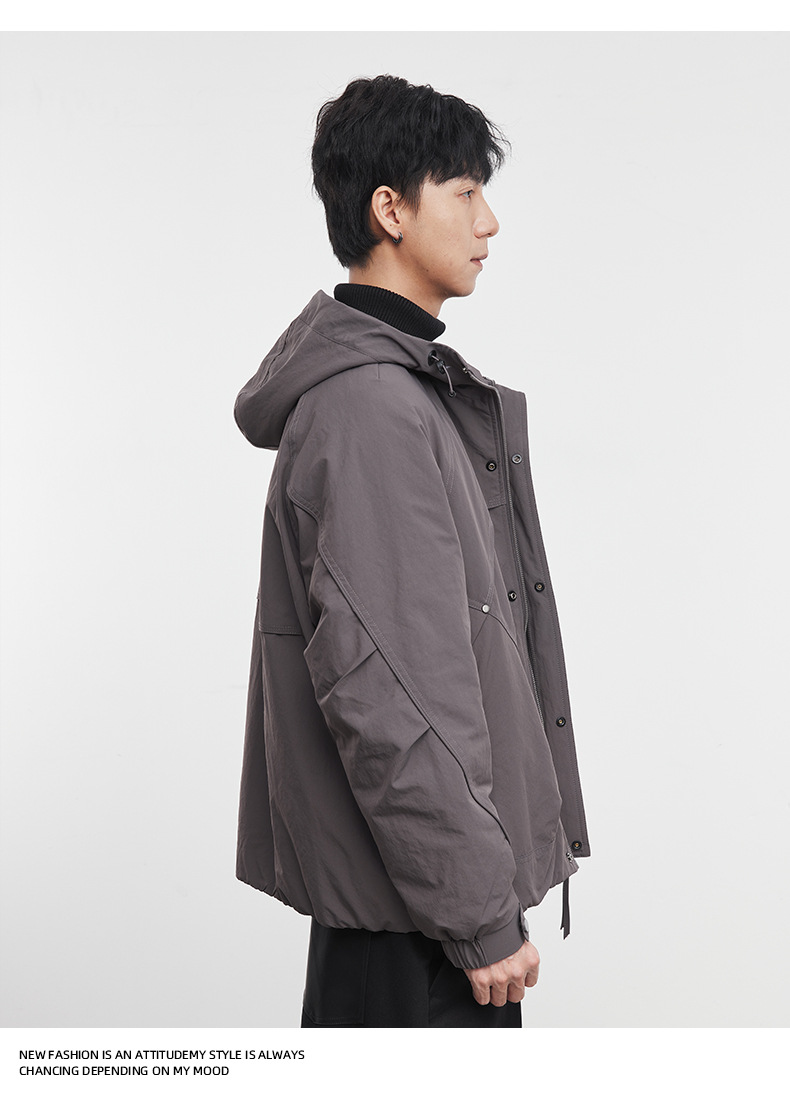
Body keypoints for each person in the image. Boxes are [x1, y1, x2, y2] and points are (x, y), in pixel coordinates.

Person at [233, 74, 590, 1028]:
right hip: (419, 934)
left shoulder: (405, 394)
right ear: (390, 210)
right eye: (465, 192)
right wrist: (478, 915)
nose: (489, 223)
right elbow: (392, 694)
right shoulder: (370, 408)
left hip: (424, 908)